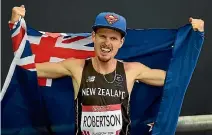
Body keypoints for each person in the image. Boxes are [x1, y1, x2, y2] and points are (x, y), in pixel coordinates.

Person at [10, 5, 204, 135]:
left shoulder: (131, 70)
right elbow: (27, 68)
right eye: (103, 36)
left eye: (113, 38)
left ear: (121, 42)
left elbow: (177, 79)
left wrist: (195, 37)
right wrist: (15, 26)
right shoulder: (76, 67)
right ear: (93, 37)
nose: (106, 43)